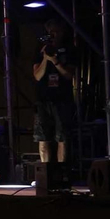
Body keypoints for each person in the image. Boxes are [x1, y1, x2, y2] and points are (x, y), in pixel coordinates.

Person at [32, 18, 77, 165]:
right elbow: (37, 76)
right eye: (51, 32)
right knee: (43, 137)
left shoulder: (69, 50)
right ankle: (45, 173)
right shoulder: (40, 50)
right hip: (43, 99)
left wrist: (56, 61)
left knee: (62, 137)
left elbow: (69, 74)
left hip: (62, 99)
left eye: (56, 32)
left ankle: (61, 173)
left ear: (62, 33)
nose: (53, 35)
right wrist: (46, 58)